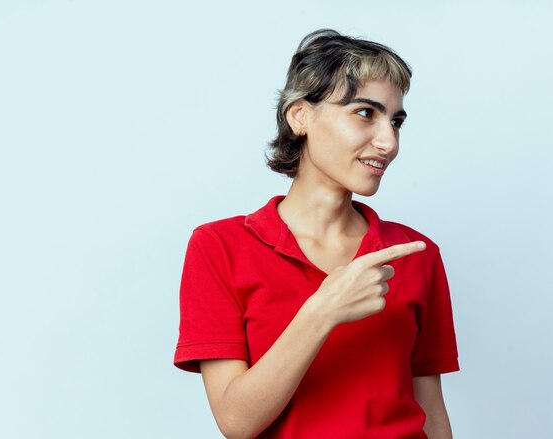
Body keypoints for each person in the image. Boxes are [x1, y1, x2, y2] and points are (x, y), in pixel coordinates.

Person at [174, 29, 459, 439]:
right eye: (365, 113)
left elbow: (430, 410)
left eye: (396, 121)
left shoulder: (414, 252)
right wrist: (324, 310)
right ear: (300, 116)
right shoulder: (220, 246)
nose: (388, 141)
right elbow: (236, 422)